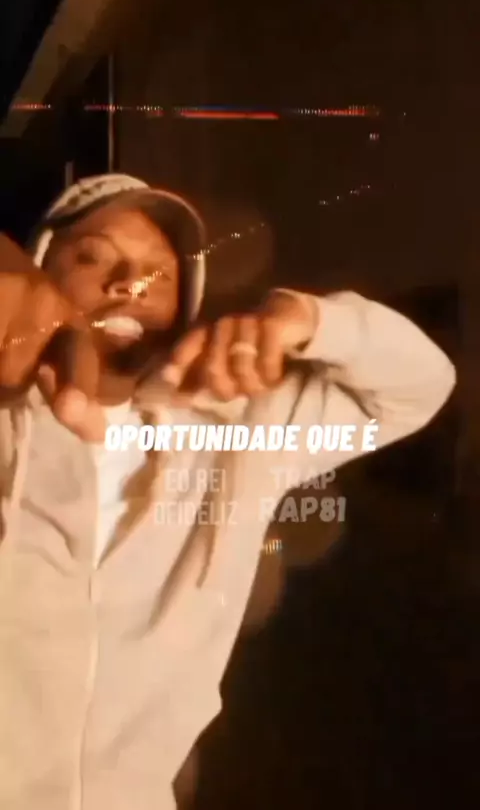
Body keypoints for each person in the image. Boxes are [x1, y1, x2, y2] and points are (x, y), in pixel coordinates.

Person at [0, 173, 455, 810]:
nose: (129, 283)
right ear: (41, 272)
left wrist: (305, 320)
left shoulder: (237, 433)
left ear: (185, 306)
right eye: (93, 257)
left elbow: (419, 386)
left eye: (158, 274)